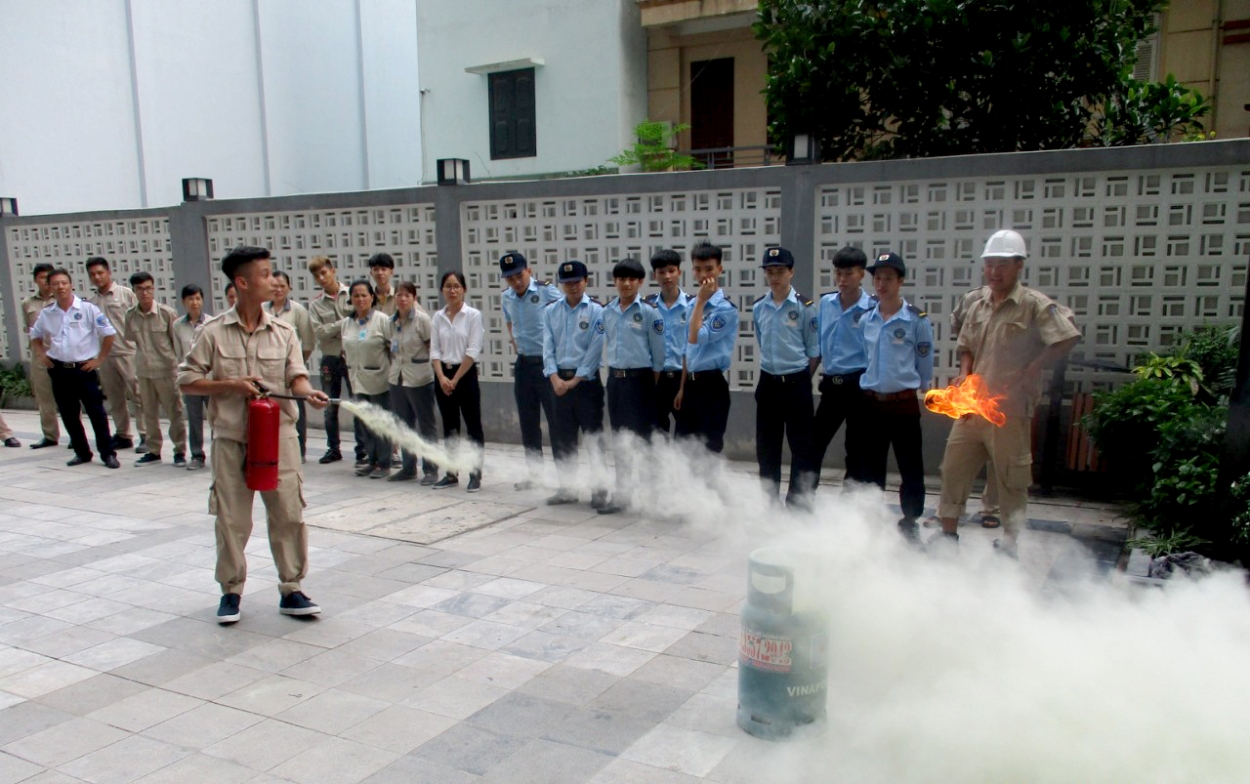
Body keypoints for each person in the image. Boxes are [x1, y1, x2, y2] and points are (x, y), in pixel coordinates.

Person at [178, 245, 329, 624]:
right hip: (231, 438)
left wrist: (306, 391)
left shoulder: (284, 331)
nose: (273, 280)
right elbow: (186, 380)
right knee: (231, 518)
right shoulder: (212, 333)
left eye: (273, 273)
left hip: (279, 436)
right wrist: (230, 384)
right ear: (242, 282)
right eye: (264, 274)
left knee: (289, 513)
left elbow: (295, 375)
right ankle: (231, 592)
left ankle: (292, 589)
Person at [935, 230, 1080, 557]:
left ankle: (1010, 542)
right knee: (953, 469)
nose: (995, 271)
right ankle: (947, 535)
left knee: (1011, 479)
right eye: (990, 265)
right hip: (972, 406)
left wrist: (1033, 368)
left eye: (1002, 264)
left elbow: (1067, 336)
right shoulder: (977, 302)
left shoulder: (1034, 305)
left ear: (1018, 266)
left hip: (1008, 410)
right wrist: (963, 373)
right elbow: (967, 345)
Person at [859, 252, 934, 543]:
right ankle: (871, 520)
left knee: (910, 467)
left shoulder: (916, 320)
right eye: (877, 278)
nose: (881, 284)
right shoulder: (867, 318)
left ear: (900, 281)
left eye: (888, 278)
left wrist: (924, 389)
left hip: (903, 404)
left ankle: (910, 520)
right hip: (872, 403)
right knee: (871, 467)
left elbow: (924, 361)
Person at [28, 267, 119, 469]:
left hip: (84, 369)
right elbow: (35, 335)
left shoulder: (87, 309)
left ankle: (107, 453)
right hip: (59, 370)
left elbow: (109, 333)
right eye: (55, 284)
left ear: (71, 285)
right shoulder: (47, 313)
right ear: (50, 288)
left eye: (63, 283)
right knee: (69, 414)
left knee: (97, 413)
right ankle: (82, 452)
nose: (60, 287)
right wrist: (42, 354)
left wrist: (99, 359)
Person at [752, 247, 820, 507]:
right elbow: (762, 340)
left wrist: (802, 378)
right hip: (768, 383)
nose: (775, 277)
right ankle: (768, 503)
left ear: (791, 272)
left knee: (801, 449)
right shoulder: (759, 307)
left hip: (796, 384)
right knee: (767, 449)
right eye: (770, 272)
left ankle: (798, 504)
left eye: (780, 271)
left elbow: (814, 350)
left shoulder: (805, 307)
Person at [597, 257, 665, 514]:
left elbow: (659, 357)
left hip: (642, 382)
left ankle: (650, 497)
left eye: (631, 279)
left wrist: (647, 384)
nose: (626, 283)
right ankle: (622, 494)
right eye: (621, 278)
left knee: (644, 440)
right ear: (615, 281)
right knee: (620, 439)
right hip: (615, 381)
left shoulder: (650, 312)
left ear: (640, 282)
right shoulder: (607, 311)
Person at [542, 260, 609, 508]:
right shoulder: (551, 311)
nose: (572, 286)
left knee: (593, 439)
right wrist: (554, 377)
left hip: (586, 385)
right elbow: (547, 347)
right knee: (562, 439)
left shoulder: (596, 310)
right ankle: (567, 488)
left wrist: (575, 380)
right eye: (567, 282)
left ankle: (599, 489)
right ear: (561, 284)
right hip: (558, 382)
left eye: (577, 281)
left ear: (586, 281)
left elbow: (594, 350)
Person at [814, 247, 875, 488]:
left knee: (857, 449)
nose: (842, 280)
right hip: (832, 384)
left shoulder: (872, 308)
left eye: (848, 274)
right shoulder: (826, 303)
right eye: (838, 274)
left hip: (859, 384)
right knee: (814, 443)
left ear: (861, 274)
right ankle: (803, 503)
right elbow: (818, 346)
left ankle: (851, 507)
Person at [500, 251, 561, 489]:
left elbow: (564, 319)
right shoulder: (507, 297)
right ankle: (535, 475)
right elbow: (509, 322)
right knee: (528, 423)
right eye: (510, 278)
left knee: (556, 423)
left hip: (547, 366)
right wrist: (517, 345)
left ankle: (564, 476)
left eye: (519, 275)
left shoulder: (548, 292)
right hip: (524, 365)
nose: (516, 282)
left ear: (529, 271)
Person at [675, 241, 738, 453]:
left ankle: (709, 487)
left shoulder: (725, 309)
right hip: (691, 384)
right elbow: (687, 350)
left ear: (719, 269)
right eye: (698, 269)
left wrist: (702, 301)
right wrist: (682, 388)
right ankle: (686, 487)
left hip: (711, 385)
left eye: (709, 269)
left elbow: (696, 337)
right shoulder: (692, 305)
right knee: (683, 448)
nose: (704, 275)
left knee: (708, 448)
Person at [124, 272, 188, 467]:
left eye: (148, 288)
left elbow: (175, 343)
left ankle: (179, 451)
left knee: (174, 412)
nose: (145, 293)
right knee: (148, 412)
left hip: (166, 370)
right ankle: (153, 450)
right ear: (134, 291)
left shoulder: (166, 314)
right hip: (144, 371)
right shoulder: (130, 315)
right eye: (140, 289)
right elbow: (131, 339)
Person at [431, 271, 485, 492]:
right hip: (443, 376)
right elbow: (434, 350)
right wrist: (442, 377)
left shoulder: (472, 315)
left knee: (473, 426)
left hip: (465, 375)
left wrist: (454, 378)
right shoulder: (437, 317)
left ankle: (475, 474)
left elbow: (473, 351)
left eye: (456, 286)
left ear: (464, 289)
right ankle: (451, 473)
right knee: (449, 427)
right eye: (447, 286)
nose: (452, 290)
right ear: (442, 290)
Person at [86, 256, 145, 452]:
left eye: (100, 273)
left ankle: (146, 435)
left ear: (109, 272)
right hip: (106, 356)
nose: (97, 277)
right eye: (93, 274)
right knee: (115, 397)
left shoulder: (126, 294)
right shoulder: (92, 302)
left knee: (138, 395)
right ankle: (123, 435)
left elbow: (140, 319)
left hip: (128, 351)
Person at [308, 255, 362, 464]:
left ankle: (362, 449)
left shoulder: (352, 294)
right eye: (316, 275)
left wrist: (338, 326)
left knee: (357, 404)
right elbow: (320, 333)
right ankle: (333, 448)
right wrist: (345, 322)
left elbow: (360, 321)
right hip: (330, 359)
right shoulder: (315, 304)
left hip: (352, 357)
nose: (321, 278)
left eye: (323, 272)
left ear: (333, 270)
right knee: (329, 404)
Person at [387, 281, 439, 484]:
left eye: (407, 295)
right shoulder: (392, 321)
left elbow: (432, 348)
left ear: (414, 298)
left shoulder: (422, 320)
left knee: (426, 425)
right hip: (397, 378)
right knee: (403, 425)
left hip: (419, 379)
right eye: (399, 295)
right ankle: (408, 467)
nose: (402, 299)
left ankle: (431, 469)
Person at [342, 279, 393, 479]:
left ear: (372, 297)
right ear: (351, 299)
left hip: (379, 379)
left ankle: (385, 462)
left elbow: (393, 348)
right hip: (357, 380)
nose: (360, 299)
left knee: (381, 422)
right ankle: (371, 460)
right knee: (365, 422)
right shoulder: (347, 323)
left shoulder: (382, 320)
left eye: (364, 295)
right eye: (356, 295)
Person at [265, 271, 315, 462]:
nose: (278, 289)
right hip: (267, 371)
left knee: (296, 410)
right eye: (274, 285)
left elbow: (308, 342)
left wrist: (296, 363)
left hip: (291, 371)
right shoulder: (261, 309)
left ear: (289, 288)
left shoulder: (298, 311)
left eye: (282, 286)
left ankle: (299, 450)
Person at [645, 249, 692, 436]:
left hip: (683, 378)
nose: (667, 276)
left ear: (679, 272)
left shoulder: (692, 305)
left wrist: (683, 386)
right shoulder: (647, 306)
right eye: (661, 272)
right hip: (656, 378)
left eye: (671, 270)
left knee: (686, 437)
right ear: (655, 275)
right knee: (656, 438)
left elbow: (694, 346)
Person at [22, 263, 59, 449]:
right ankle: (50, 435)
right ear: (36, 280)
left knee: (68, 398)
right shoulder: (28, 303)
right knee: (44, 398)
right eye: (42, 278)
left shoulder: (62, 299)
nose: (46, 281)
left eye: (48, 277)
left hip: (61, 355)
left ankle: (76, 435)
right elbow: (29, 330)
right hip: (40, 356)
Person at [173, 284, 209, 470]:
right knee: (194, 418)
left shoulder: (211, 323)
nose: (194, 303)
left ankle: (222, 453)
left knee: (219, 417)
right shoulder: (177, 326)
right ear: (183, 302)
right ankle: (197, 455)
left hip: (210, 379)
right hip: (191, 380)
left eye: (197, 298)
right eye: (190, 299)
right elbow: (179, 354)